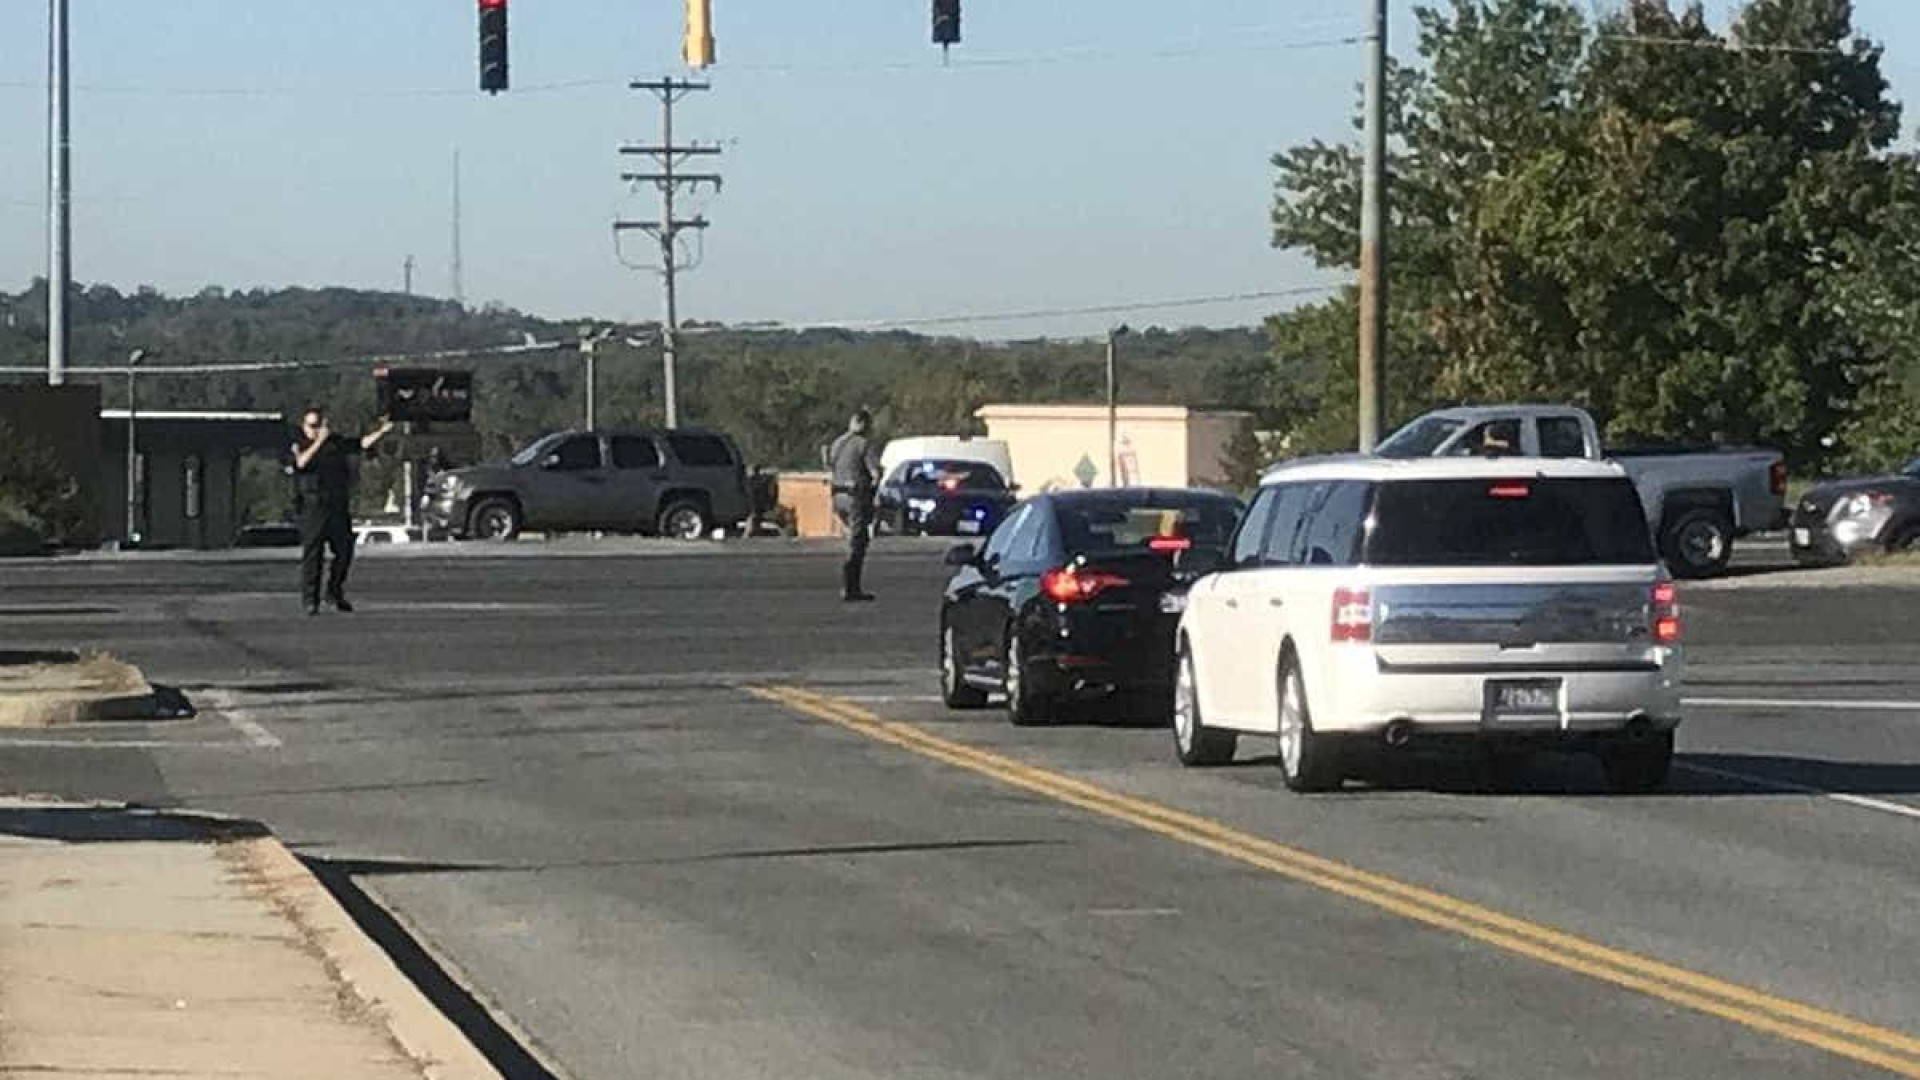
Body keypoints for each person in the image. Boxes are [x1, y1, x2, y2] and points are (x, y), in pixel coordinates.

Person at [291, 407, 394, 615]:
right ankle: (310, 600)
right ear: (304, 427)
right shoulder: (299, 444)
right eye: (312, 426)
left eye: (320, 425)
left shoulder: (335, 443)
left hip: (337, 504)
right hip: (314, 504)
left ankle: (334, 591)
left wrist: (383, 431)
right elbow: (301, 463)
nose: (317, 430)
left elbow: (361, 444)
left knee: (345, 550)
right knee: (314, 554)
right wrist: (318, 442)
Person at [825, 408, 881, 602]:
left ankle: (851, 584)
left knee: (856, 537)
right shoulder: (863, 445)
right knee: (857, 543)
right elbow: (875, 474)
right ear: (865, 424)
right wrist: (874, 496)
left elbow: (830, 465)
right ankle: (851, 587)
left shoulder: (838, 443)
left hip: (838, 496)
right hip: (855, 497)